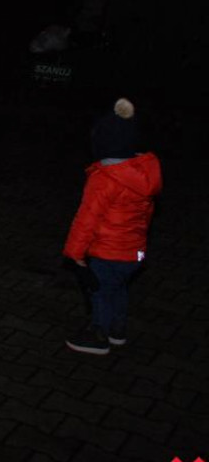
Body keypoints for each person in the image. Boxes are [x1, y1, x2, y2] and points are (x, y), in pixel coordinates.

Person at [62, 98, 162, 355]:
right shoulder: (144, 174)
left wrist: (74, 254)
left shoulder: (103, 179)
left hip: (107, 252)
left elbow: (86, 219)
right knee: (119, 289)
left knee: (100, 292)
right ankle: (118, 330)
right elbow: (146, 214)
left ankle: (99, 334)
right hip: (134, 253)